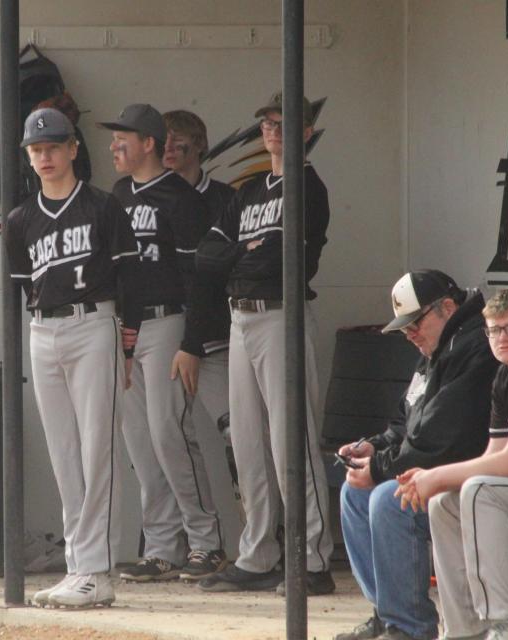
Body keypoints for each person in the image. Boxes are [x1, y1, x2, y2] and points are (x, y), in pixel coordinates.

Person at [196, 91, 334, 594]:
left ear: (305, 131)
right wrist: (243, 251)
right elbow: (208, 260)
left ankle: (313, 560)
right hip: (240, 319)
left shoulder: (307, 185)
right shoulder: (250, 191)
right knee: (249, 444)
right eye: (267, 122)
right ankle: (258, 555)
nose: (273, 129)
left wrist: (243, 255)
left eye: (283, 122)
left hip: (281, 315)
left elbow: (284, 259)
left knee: (291, 440)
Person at [5, 108, 142, 608]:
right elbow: (24, 290)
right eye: (36, 150)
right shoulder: (20, 219)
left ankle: (98, 571)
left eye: (53, 147)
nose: (44, 156)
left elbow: (132, 283)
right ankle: (78, 567)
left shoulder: (104, 207)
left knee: (97, 450)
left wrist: (128, 345)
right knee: (64, 454)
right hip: (44, 330)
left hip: (94, 324)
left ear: (72, 150)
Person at [97, 103, 225, 583]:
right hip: (127, 329)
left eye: (122, 138)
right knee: (140, 442)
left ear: (148, 143)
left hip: (169, 323)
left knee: (169, 434)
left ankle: (206, 543)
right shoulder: (118, 194)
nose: (114, 146)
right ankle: (161, 547)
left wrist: (192, 343)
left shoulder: (180, 196)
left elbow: (201, 278)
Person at [333, 270, 497, 640]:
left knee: (386, 500)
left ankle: (408, 628)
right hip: (439, 470)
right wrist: (374, 447)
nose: (410, 334)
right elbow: (406, 423)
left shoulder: (475, 345)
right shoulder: (439, 346)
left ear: (448, 308)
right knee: (355, 493)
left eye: (415, 323)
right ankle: (391, 615)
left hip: (473, 477)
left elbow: (444, 439)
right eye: (404, 328)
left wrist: (379, 468)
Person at [398, 289, 508, 640]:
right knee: (446, 503)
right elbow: (492, 456)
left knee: (479, 490)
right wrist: (436, 481)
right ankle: (464, 629)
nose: (501, 338)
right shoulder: (504, 375)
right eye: (493, 330)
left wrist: (437, 474)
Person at [163, 109, 240, 513]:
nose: (170, 148)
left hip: (214, 337)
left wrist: (195, 341)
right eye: (164, 140)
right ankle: (186, 544)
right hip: (161, 334)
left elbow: (218, 273)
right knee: (167, 439)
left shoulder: (225, 198)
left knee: (238, 435)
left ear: (200, 145)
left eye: (180, 140)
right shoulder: (142, 197)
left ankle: (267, 536)